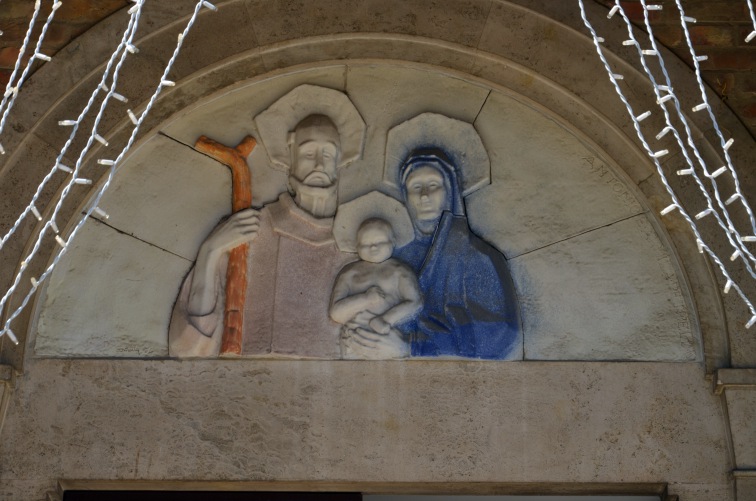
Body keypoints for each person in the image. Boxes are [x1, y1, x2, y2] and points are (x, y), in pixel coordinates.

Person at [169, 114, 353, 358]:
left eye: (327, 154)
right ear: (290, 158)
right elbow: (188, 350)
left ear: (339, 164)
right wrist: (211, 251)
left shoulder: (357, 241)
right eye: (308, 153)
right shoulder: (251, 229)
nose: (319, 163)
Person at [388, 149, 521, 359]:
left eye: (433, 185)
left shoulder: (479, 256)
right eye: (415, 187)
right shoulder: (392, 257)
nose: (424, 196)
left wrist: (414, 346)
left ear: (449, 191)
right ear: (405, 196)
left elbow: (502, 334)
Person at [329, 218, 422, 359]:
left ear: (393, 242)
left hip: (387, 337)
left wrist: (387, 319)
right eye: (366, 243)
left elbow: (415, 302)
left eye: (380, 242)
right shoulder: (349, 273)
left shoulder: (400, 271)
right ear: (357, 246)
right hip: (352, 339)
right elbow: (336, 313)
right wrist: (365, 299)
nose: (373, 247)